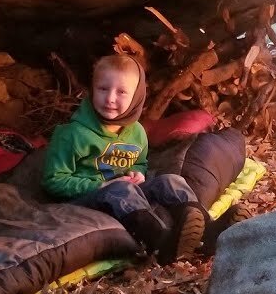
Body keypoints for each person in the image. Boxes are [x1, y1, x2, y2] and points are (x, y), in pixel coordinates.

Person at [41, 53, 207, 263]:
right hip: (86, 199)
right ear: (92, 90)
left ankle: (207, 232)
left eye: (121, 92)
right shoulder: (71, 134)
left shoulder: (136, 132)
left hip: (126, 192)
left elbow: (140, 161)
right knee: (121, 190)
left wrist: (138, 173)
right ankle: (161, 243)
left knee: (171, 181)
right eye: (102, 89)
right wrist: (101, 186)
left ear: (136, 97)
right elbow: (53, 180)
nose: (110, 98)